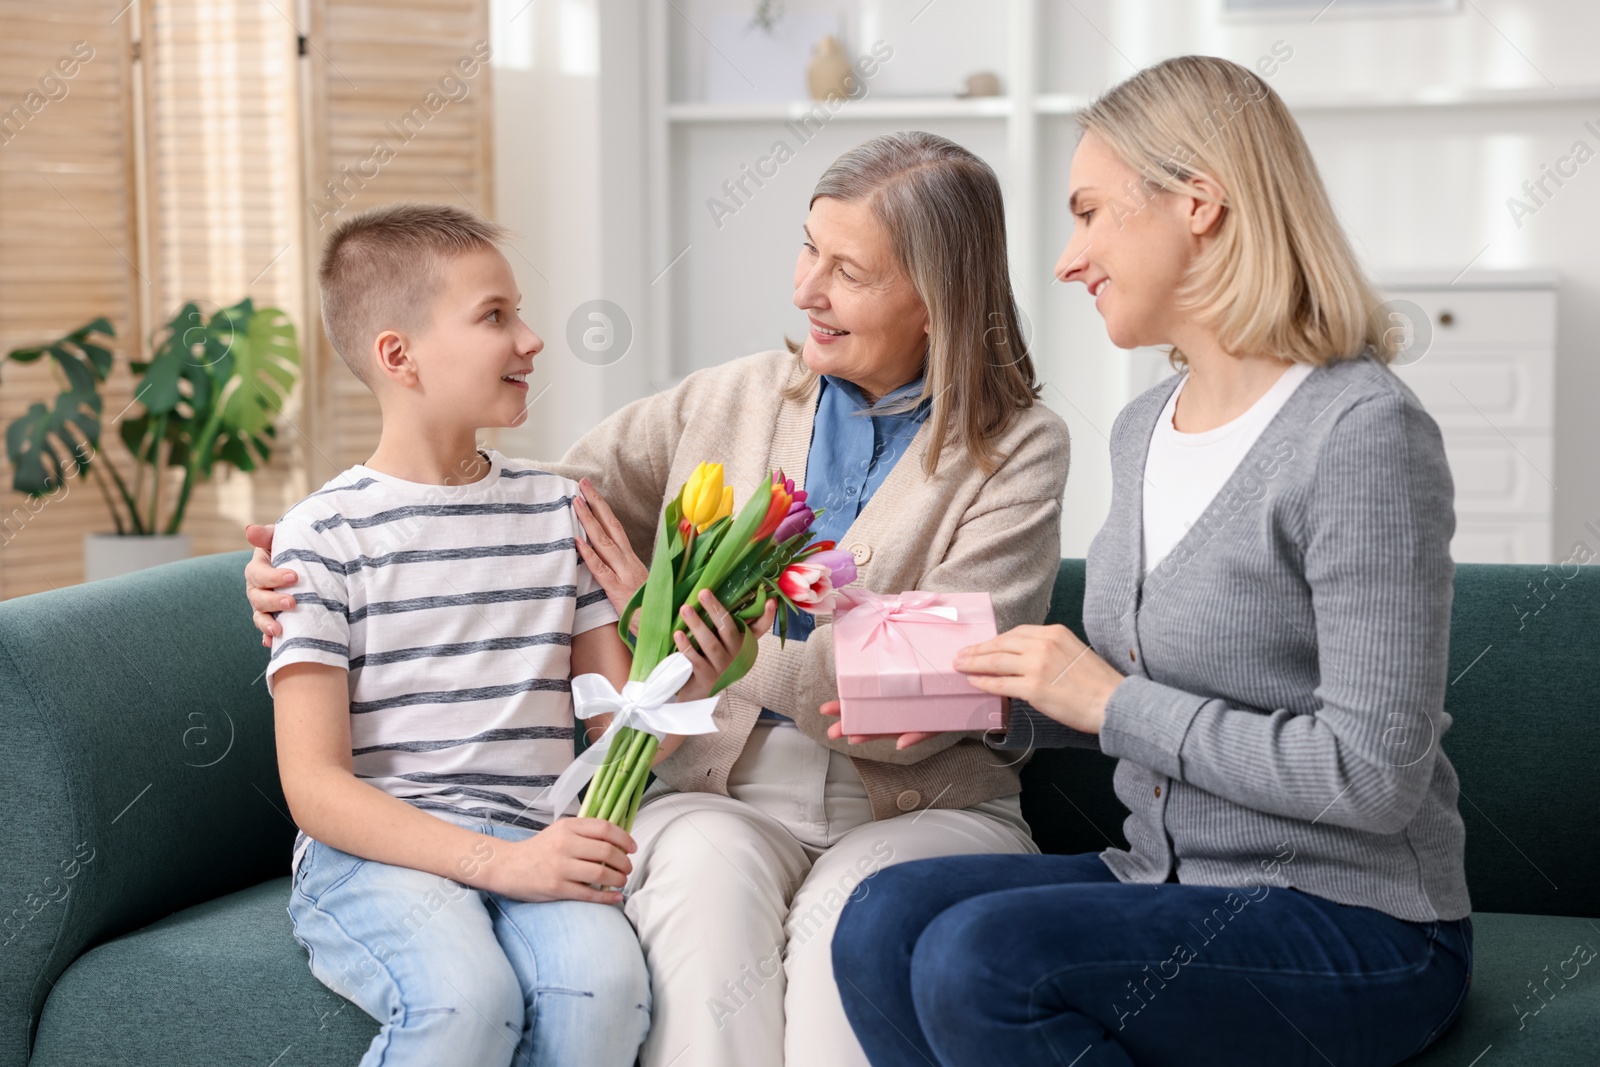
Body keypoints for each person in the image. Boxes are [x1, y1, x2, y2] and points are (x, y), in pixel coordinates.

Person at [246, 131, 1071, 1065]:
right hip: (718, 787)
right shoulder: (734, 397)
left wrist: (699, 636)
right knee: (698, 891)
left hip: (913, 805)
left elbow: (932, 686)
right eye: (809, 248)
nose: (806, 289)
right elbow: (519, 498)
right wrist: (314, 549)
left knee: (847, 931)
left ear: (937, 297)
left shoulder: (1018, 448)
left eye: (848, 271)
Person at [828, 56, 1473, 1067]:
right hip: (1163, 877)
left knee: (984, 957)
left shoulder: (1359, 431)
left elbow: (1372, 775)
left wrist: (1106, 701)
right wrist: (984, 701)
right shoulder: (1143, 426)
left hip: (1355, 921)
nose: (1065, 259)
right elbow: (1142, 687)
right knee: (879, 917)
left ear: (1199, 204)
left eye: (1089, 212)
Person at [268, 203, 762, 1067]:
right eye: (496, 316)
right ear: (399, 355)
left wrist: (682, 674)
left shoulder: (558, 509)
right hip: (378, 855)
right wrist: (500, 865)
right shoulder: (322, 536)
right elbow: (314, 787)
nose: (532, 339)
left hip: (538, 837)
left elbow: (618, 729)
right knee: (466, 999)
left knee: (606, 994)